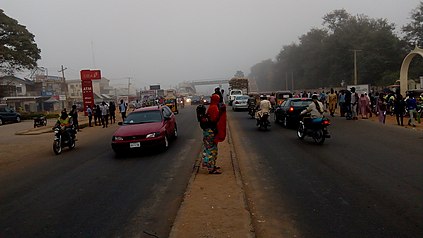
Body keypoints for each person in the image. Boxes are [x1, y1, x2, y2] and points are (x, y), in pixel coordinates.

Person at [202, 94, 226, 174]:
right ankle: (211, 168)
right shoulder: (214, 108)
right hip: (211, 132)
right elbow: (215, 120)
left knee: (210, 148)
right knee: (211, 150)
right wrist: (221, 113)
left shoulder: (211, 107)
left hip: (207, 131)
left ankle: (210, 165)